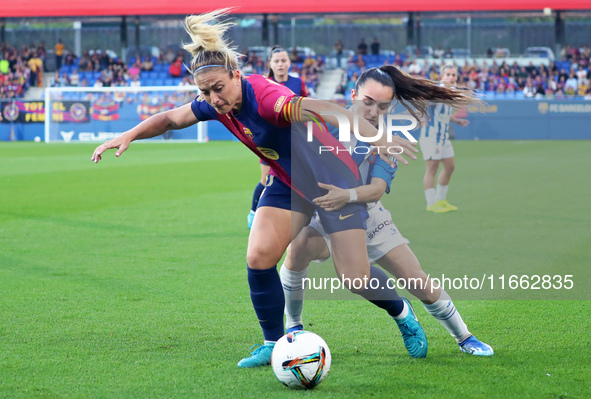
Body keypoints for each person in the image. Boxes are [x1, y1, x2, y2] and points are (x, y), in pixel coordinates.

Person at [91, 9, 474, 369]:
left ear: (237, 74)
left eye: (219, 89)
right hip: (289, 185)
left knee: (355, 278)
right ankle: (275, 343)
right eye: (206, 93)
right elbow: (173, 118)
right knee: (259, 255)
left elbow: (316, 109)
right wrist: (129, 134)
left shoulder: (267, 98)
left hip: (332, 182)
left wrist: (369, 133)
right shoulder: (214, 102)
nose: (213, 100)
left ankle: (401, 313)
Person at [281, 67, 493, 356]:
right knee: (297, 249)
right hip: (325, 214)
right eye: (367, 101)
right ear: (353, 95)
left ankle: (465, 337)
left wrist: (348, 194)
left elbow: (377, 188)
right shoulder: (325, 122)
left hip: (368, 217)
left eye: (382, 106)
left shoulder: (387, 141)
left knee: (416, 280)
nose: (373, 111)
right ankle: (293, 328)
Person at [247, 46, 310, 229]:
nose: (280, 64)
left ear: (289, 63)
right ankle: (253, 213)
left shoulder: (298, 83)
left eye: (283, 60)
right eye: (276, 61)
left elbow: (305, 107)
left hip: (295, 140)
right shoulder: (263, 84)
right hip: (270, 140)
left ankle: (297, 216)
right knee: (266, 179)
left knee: (297, 178)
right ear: (270, 64)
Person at [419, 64, 469, 213]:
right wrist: (421, 116)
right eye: (448, 74)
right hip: (431, 136)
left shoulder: (451, 92)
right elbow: (423, 102)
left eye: (453, 75)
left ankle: (441, 200)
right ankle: (431, 203)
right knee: (432, 169)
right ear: (442, 76)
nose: (451, 77)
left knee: (450, 167)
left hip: (443, 137)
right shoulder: (437, 91)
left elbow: (444, 113)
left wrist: (457, 120)